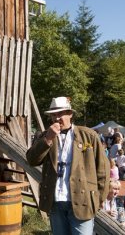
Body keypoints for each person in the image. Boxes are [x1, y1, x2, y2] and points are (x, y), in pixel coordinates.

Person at [26, 96, 110, 235]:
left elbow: (103, 170)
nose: (57, 118)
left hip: (82, 200)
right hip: (56, 202)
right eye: (54, 115)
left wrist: (98, 198)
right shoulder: (46, 136)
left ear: (70, 114)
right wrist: (48, 139)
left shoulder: (88, 135)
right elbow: (31, 159)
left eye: (61, 113)